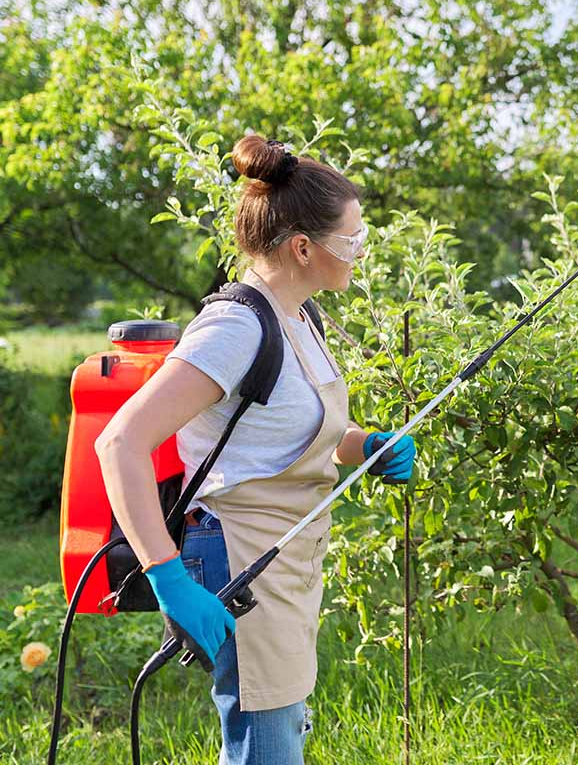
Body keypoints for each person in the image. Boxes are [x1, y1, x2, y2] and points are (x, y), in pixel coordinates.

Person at [95, 134, 415, 763]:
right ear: (303, 247)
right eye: (352, 241)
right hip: (238, 557)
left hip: (285, 558)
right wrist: (167, 578)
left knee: (274, 739)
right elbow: (121, 443)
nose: (360, 254)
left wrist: (364, 446)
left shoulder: (300, 317)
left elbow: (281, 436)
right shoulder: (238, 326)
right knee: (266, 751)